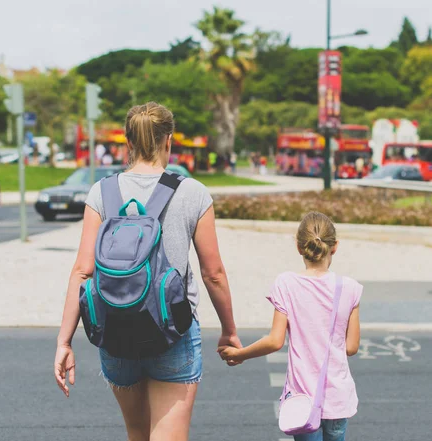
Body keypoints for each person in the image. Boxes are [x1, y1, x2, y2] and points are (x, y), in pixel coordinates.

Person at [54, 102, 241, 441]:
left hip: (115, 331)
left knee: (137, 435)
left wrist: (64, 340)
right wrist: (229, 330)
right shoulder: (192, 192)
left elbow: (82, 272)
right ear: (168, 140)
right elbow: (213, 273)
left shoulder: (102, 192)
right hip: (173, 332)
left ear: (127, 143)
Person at [219, 212, 362, 441]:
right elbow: (351, 347)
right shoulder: (350, 288)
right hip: (337, 398)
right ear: (334, 247)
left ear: (299, 247)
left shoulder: (286, 284)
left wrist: (240, 354)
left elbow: (275, 341)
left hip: (302, 398)